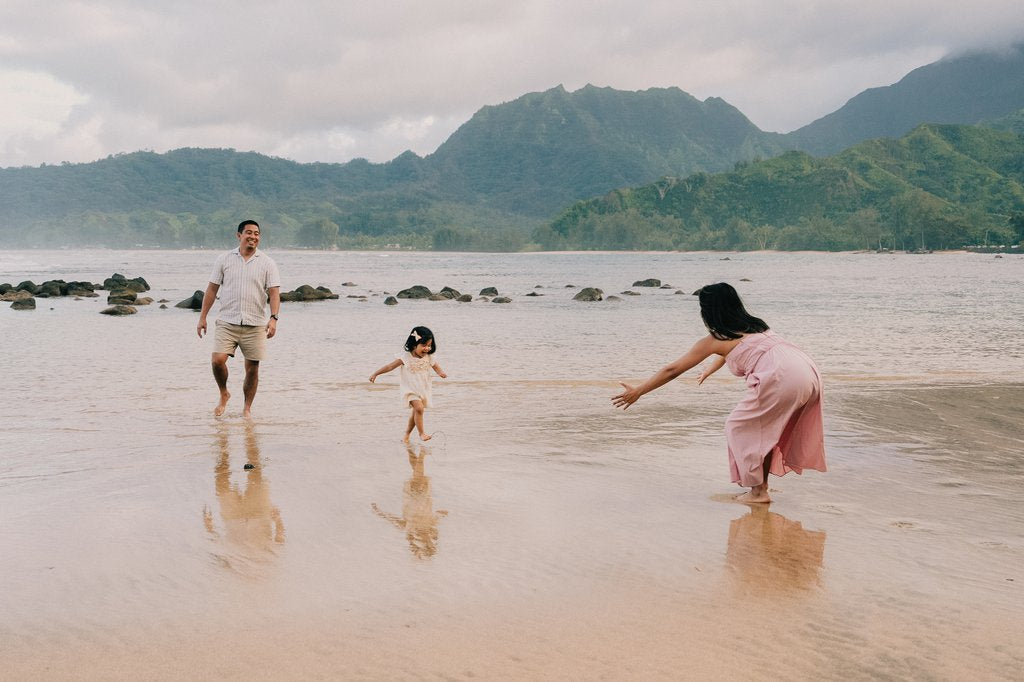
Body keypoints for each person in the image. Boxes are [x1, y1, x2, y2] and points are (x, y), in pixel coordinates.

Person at [611, 282, 826, 503]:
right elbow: (732, 352)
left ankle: (758, 493)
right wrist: (709, 370)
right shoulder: (755, 326)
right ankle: (762, 488)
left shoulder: (714, 341)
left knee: (738, 427)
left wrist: (639, 391)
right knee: (763, 431)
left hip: (781, 377)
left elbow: (672, 370)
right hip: (806, 370)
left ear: (708, 311)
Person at [197, 220, 281, 418]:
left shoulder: (267, 263)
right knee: (218, 360)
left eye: (257, 233)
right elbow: (211, 289)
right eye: (249, 233)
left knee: (252, 368)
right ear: (239, 235)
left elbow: (274, 292)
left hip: (255, 323)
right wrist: (203, 317)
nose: (253, 237)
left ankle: (247, 409)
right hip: (227, 320)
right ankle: (224, 393)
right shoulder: (224, 259)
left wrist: (274, 318)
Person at [369, 326, 447, 442]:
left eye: (429, 345)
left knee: (416, 412)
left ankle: (407, 434)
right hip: (409, 389)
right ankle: (422, 434)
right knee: (419, 409)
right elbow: (390, 366)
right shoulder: (405, 358)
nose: (427, 348)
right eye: (424, 345)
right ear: (414, 345)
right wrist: (376, 373)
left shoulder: (429, 357)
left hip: (423, 389)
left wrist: (440, 372)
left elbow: (435, 366)